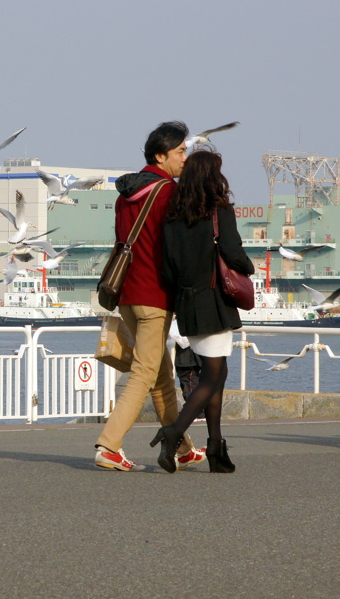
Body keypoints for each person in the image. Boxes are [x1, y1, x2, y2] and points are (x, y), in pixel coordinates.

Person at [93, 121, 202, 472]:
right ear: (161, 155)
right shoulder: (168, 193)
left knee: (160, 373)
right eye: (181, 151)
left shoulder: (125, 195)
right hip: (154, 293)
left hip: (125, 291)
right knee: (144, 372)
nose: (186, 157)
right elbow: (174, 248)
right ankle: (109, 445)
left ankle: (182, 447)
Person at [151, 147, 254, 473]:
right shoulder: (218, 209)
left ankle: (216, 449)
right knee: (213, 376)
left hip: (188, 303)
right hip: (213, 301)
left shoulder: (173, 215)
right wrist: (247, 268)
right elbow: (232, 252)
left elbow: (166, 266)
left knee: (216, 374)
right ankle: (174, 433)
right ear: (213, 175)